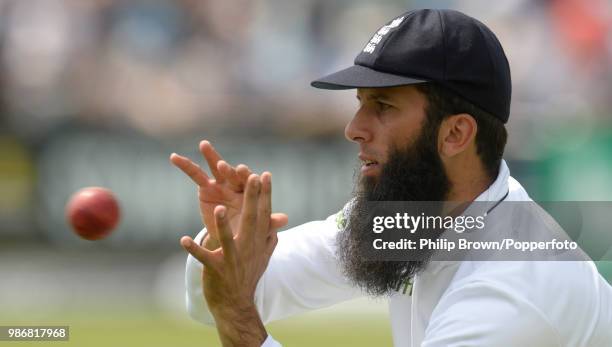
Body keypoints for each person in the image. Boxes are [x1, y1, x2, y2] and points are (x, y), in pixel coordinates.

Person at [171, 9, 612, 347]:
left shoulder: (514, 283)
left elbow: (232, 309)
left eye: (382, 106)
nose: (353, 128)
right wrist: (224, 245)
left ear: (456, 133)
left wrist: (240, 324)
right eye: (360, 102)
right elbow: (221, 298)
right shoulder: (411, 220)